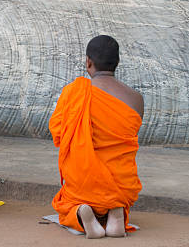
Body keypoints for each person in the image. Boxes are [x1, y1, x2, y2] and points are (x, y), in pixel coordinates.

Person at [49, 35, 144, 238]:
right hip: (122, 185)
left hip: (83, 185)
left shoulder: (74, 93)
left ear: (88, 62)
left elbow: (58, 133)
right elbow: (129, 138)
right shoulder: (136, 99)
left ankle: (81, 214)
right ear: (117, 63)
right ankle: (116, 211)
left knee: (65, 203)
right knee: (115, 185)